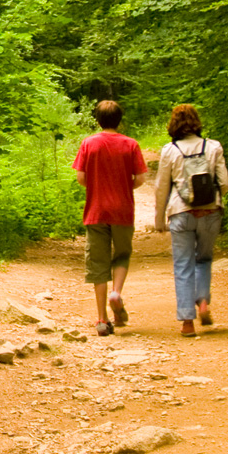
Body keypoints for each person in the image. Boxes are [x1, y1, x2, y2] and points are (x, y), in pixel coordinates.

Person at [152, 104, 228, 337]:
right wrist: (212, 198)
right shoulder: (213, 147)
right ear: (196, 122)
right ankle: (203, 301)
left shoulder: (170, 150)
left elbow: (161, 187)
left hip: (181, 213)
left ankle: (187, 321)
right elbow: (224, 183)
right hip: (210, 213)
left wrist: (159, 220)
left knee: (183, 265)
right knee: (204, 259)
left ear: (173, 124)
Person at [73, 99, 149, 336]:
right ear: (120, 119)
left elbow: (81, 178)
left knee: (98, 263)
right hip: (123, 210)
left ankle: (102, 319)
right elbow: (140, 179)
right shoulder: (130, 144)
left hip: (96, 211)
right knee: (122, 255)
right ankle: (116, 292)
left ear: (97, 120)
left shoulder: (88, 144)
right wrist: (124, 186)